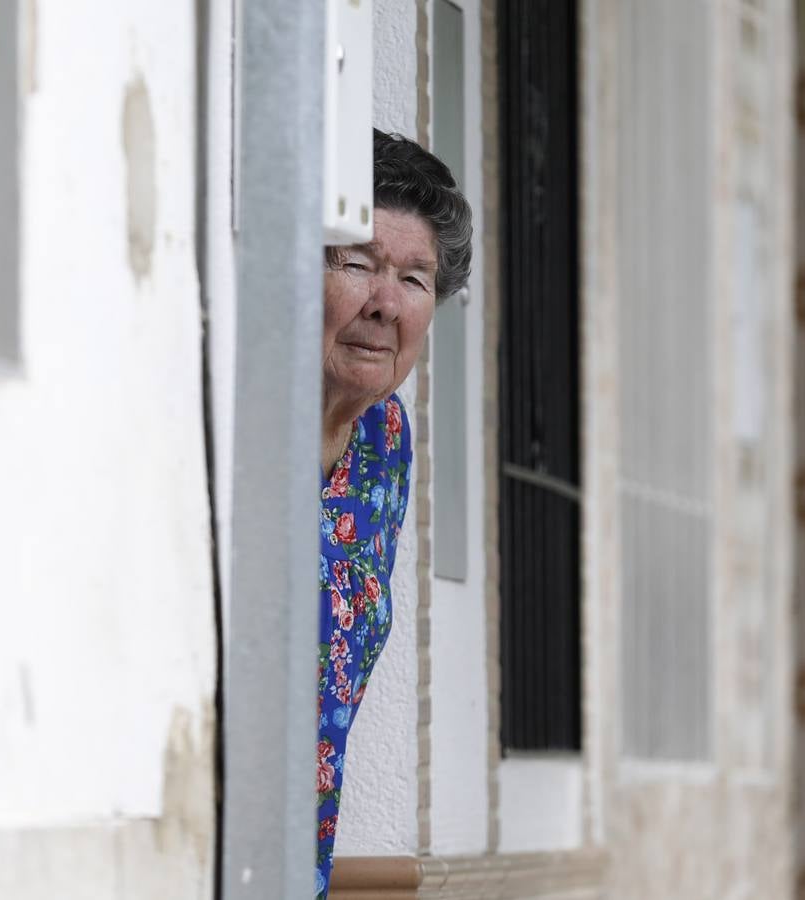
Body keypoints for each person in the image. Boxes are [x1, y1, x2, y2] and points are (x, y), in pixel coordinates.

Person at [314, 129, 472, 898]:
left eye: (413, 278)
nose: (383, 304)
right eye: (358, 264)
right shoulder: (232, 413)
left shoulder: (385, 436)